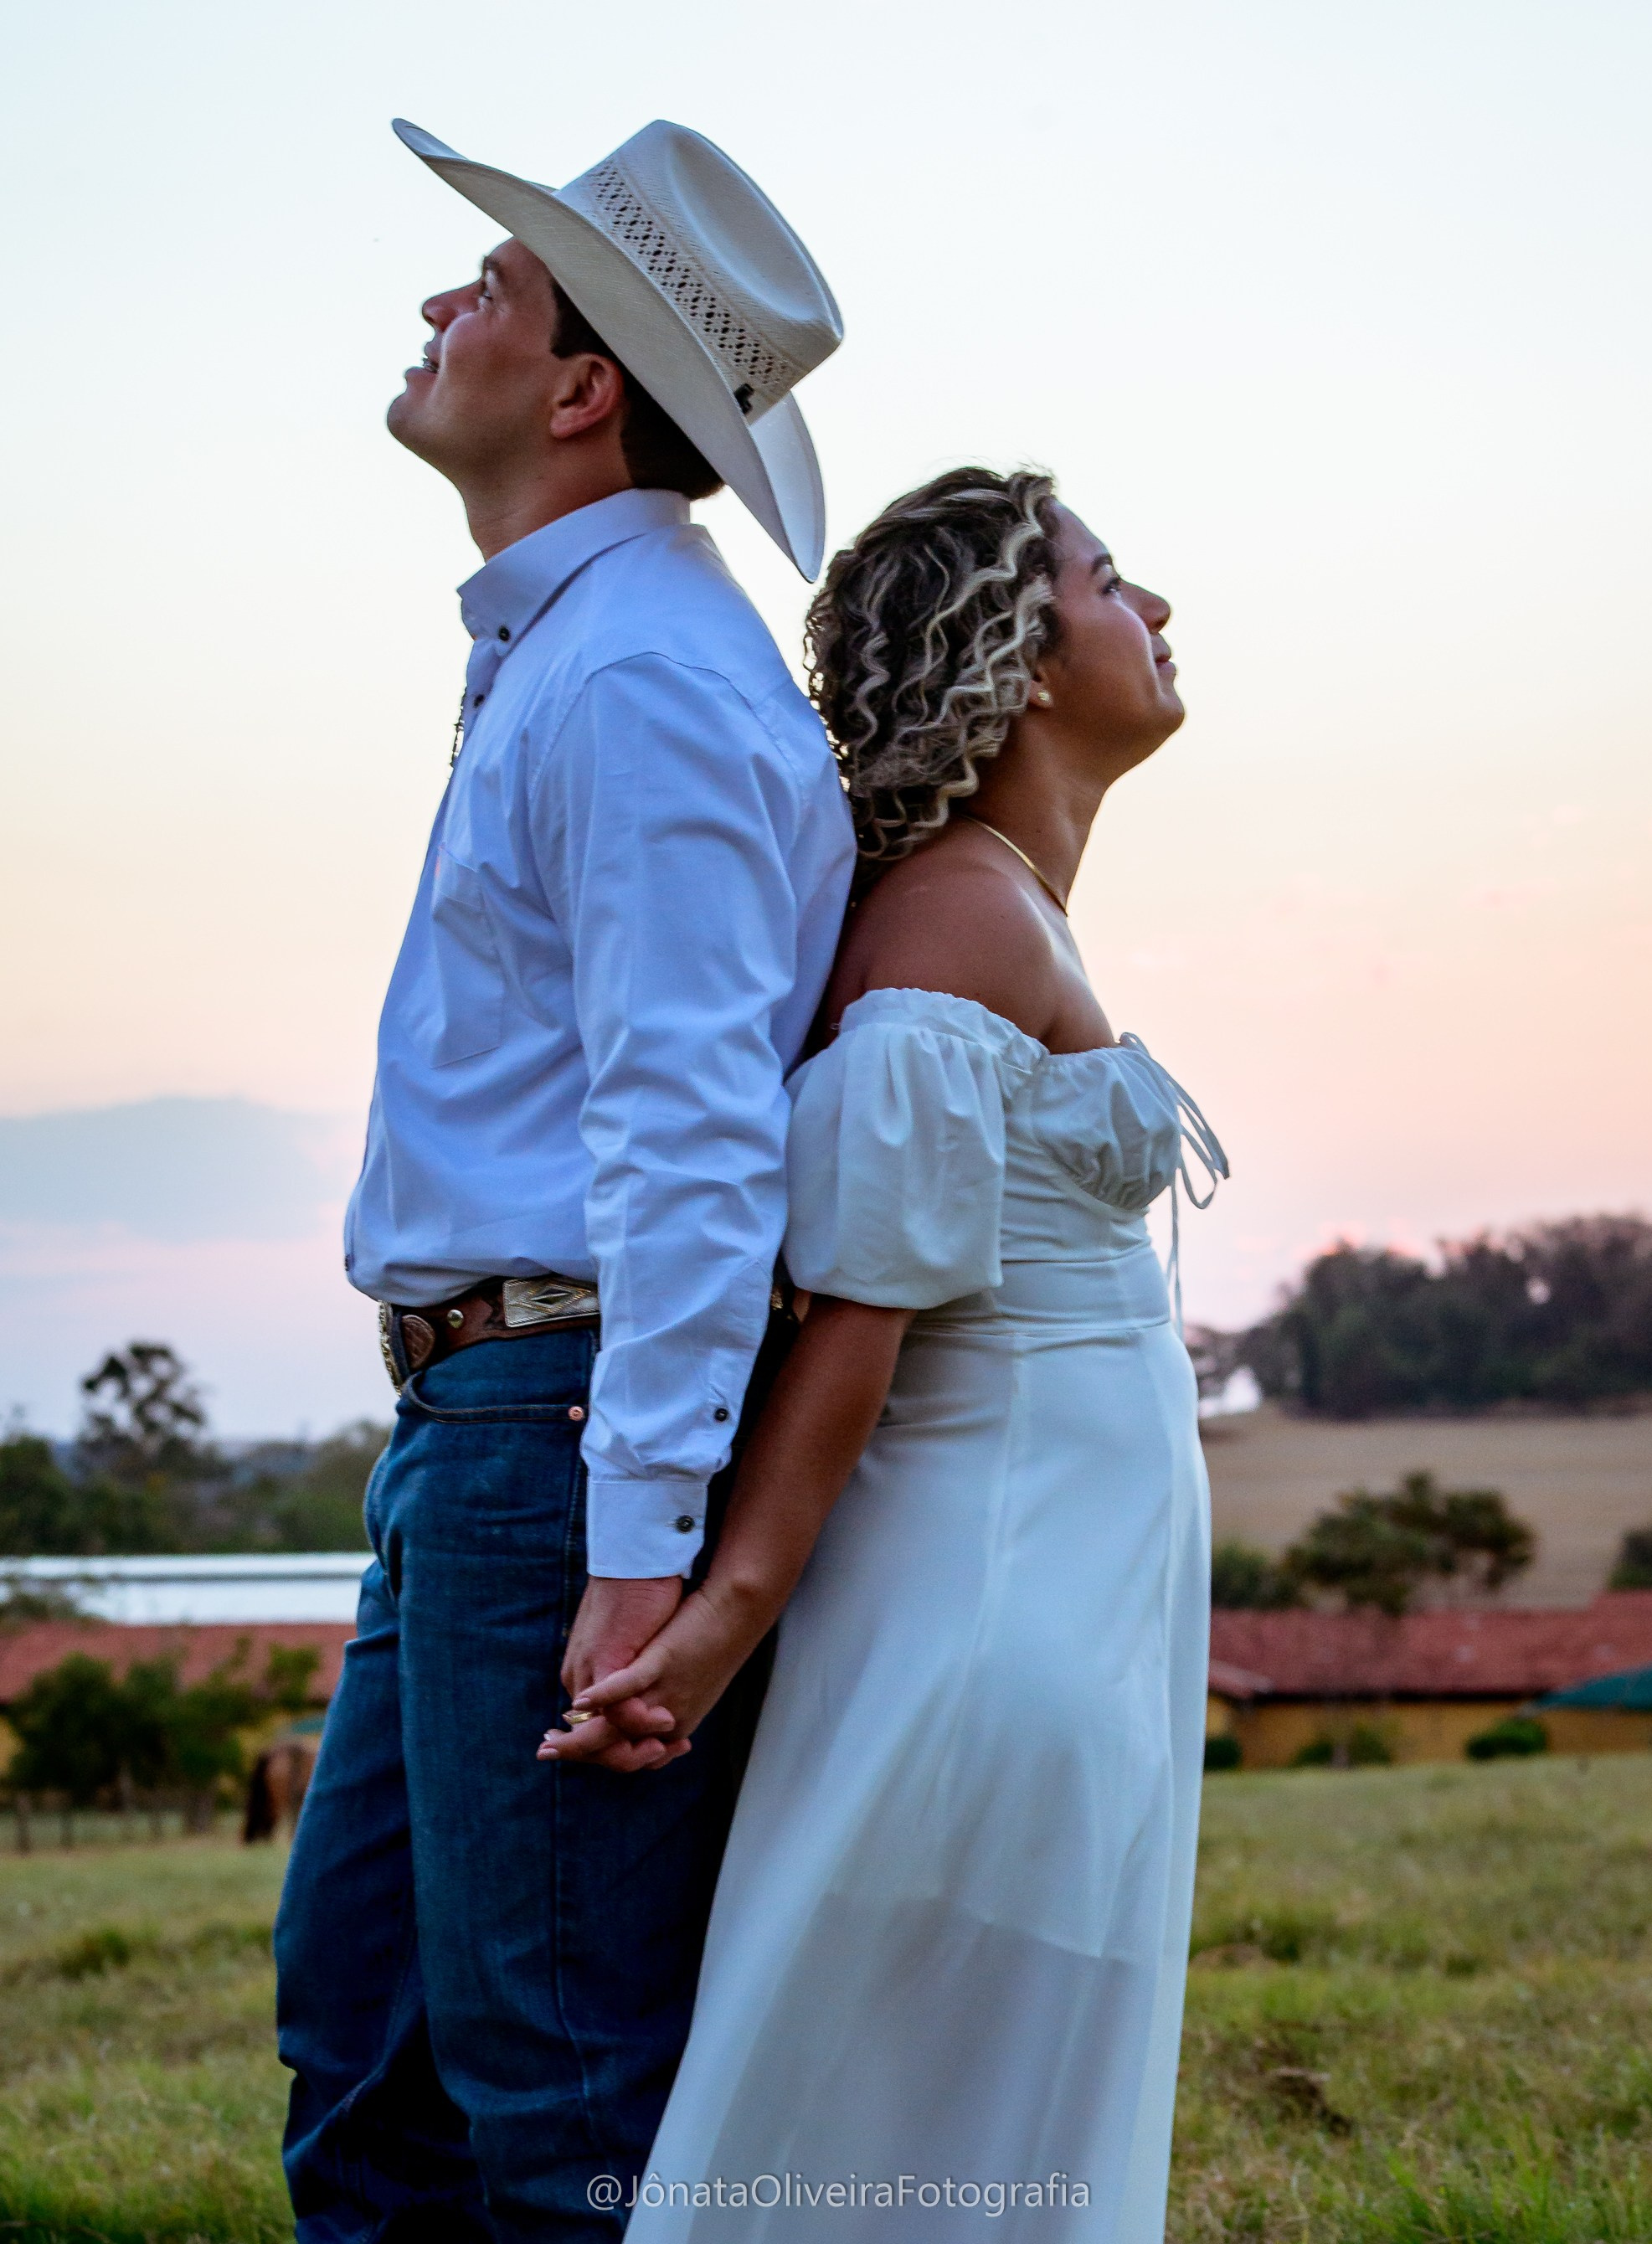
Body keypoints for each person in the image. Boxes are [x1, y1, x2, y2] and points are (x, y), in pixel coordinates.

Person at [273, 117, 854, 2240]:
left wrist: (637, 1541)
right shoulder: (578, 653)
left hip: (553, 1437)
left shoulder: (639, 683)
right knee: (369, 2043)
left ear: (584, 386)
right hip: (472, 1431)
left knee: (558, 2096)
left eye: (491, 288)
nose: (442, 306)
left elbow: (692, 1133)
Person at [554, 468, 1228, 2241]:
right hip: (983, 1618)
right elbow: (856, 1317)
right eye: (1107, 577)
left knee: (982, 2132)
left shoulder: (1004, 904)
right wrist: (719, 1618)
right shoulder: (953, 914)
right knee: (912, 2136)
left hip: (1066, 1605)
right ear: (1009, 652)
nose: (1155, 608)